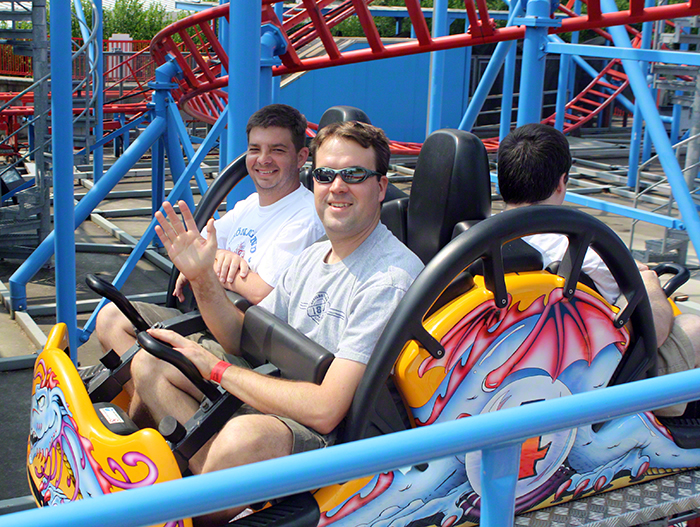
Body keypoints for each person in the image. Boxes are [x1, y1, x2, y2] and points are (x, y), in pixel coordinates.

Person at [129, 120, 424, 526]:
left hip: (336, 436)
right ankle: (222, 489)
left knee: (242, 439)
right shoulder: (313, 257)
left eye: (354, 174)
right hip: (277, 388)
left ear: (380, 187)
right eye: (325, 174)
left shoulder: (387, 278)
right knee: (151, 363)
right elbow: (239, 336)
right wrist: (202, 277)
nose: (337, 186)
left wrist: (216, 369)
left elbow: (325, 411)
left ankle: (207, 500)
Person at [94, 104, 325, 363]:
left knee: (151, 361)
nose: (263, 159)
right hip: (205, 319)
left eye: (277, 150)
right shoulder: (248, 205)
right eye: (255, 149)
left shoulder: (306, 216)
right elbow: (199, 247)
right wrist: (220, 259)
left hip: (247, 343)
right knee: (110, 319)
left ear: (302, 156)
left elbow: (262, 291)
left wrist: (205, 268)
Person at [497, 122, 700, 417]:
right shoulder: (585, 254)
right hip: (590, 377)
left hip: (515, 365)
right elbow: (654, 330)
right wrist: (647, 280)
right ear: (560, 182)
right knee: (693, 326)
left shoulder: (479, 243)